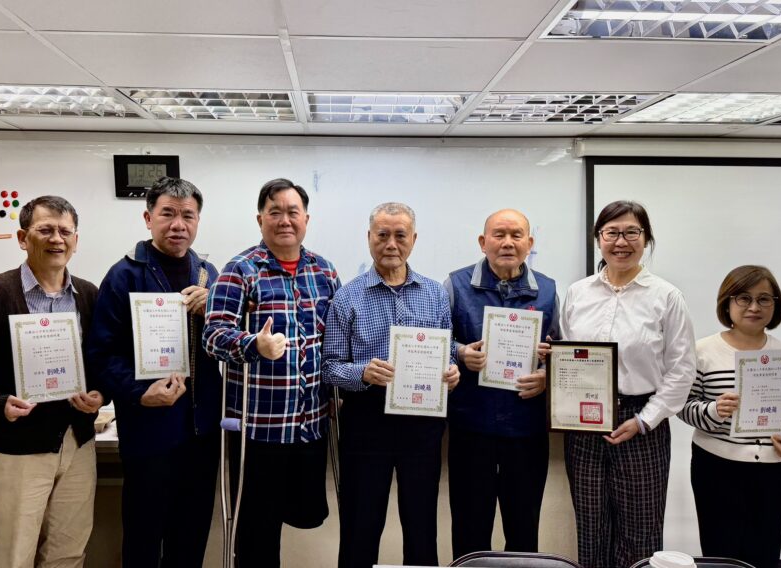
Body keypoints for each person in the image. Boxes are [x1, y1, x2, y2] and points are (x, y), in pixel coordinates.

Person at [0, 195, 105, 568]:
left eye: (65, 231)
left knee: (68, 552)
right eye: (45, 230)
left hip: (76, 441)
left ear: (76, 240)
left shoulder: (88, 295)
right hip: (15, 446)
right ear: (23, 238)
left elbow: (102, 360)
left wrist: (102, 393)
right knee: (14, 554)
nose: (56, 239)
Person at [203, 178, 341, 568]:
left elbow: (338, 337)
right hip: (259, 431)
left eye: (292, 212)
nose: (284, 220)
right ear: (260, 218)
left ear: (306, 219)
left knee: (305, 516)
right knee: (257, 535)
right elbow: (213, 336)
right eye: (274, 211)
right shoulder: (240, 270)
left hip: (309, 426)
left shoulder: (325, 271)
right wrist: (254, 345)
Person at [87, 177, 221, 568]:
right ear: (148, 218)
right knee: (144, 537)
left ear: (198, 221)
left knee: (191, 537)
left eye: (188, 215)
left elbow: (229, 344)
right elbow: (100, 353)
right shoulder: (124, 275)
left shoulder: (209, 274)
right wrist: (138, 392)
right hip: (149, 431)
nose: (178, 224)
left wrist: (214, 308)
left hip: (201, 431)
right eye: (168, 214)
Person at [321, 202, 460, 568]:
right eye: (382, 235)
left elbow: (448, 352)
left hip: (422, 422)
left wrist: (452, 371)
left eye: (400, 235)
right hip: (366, 421)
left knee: (422, 529)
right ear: (369, 237)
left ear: (414, 239)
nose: (391, 244)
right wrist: (362, 373)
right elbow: (329, 367)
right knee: (360, 528)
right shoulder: (347, 296)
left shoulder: (435, 293)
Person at [559, 200, 696, 568]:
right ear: (598, 239)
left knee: (641, 532)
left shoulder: (666, 297)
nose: (621, 242)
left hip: (642, 422)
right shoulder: (578, 293)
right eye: (611, 233)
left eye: (631, 232)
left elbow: (682, 370)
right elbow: (569, 355)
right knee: (591, 529)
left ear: (646, 238)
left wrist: (644, 420)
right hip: (585, 422)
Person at [679, 265, 781, 568]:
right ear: (727, 303)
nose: (754, 307)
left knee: (765, 554)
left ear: (775, 305)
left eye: (764, 299)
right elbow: (683, 405)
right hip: (716, 467)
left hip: (774, 472)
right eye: (743, 298)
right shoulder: (702, 351)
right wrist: (713, 410)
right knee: (721, 555)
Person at [443, 209, 558, 558]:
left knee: (523, 530)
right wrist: (460, 352)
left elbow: (563, 352)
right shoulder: (455, 285)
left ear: (529, 243)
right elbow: (435, 342)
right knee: (469, 529)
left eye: (516, 235)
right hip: (471, 427)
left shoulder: (549, 290)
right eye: (499, 234)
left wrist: (547, 375)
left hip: (526, 429)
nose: (508, 242)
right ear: (483, 242)